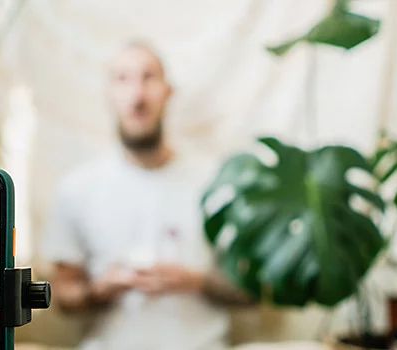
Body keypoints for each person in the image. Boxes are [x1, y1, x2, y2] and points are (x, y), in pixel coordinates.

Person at [41, 40, 255, 350]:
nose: (137, 96)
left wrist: (196, 281)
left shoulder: (217, 182)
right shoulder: (76, 188)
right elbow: (64, 296)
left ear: (168, 91)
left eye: (149, 78)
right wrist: (99, 290)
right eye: (123, 79)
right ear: (109, 95)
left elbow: (253, 290)